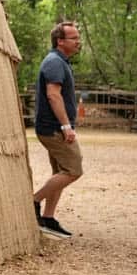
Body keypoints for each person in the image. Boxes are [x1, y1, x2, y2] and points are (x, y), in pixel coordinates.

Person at [33, 21, 84, 238]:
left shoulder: (61, 61)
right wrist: (65, 126)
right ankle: (33, 202)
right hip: (53, 128)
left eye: (77, 37)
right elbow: (53, 95)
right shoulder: (54, 62)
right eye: (73, 38)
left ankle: (48, 218)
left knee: (60, 172)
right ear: (60, 41)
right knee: (73, 170)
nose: (78, 41)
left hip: (55, 127)